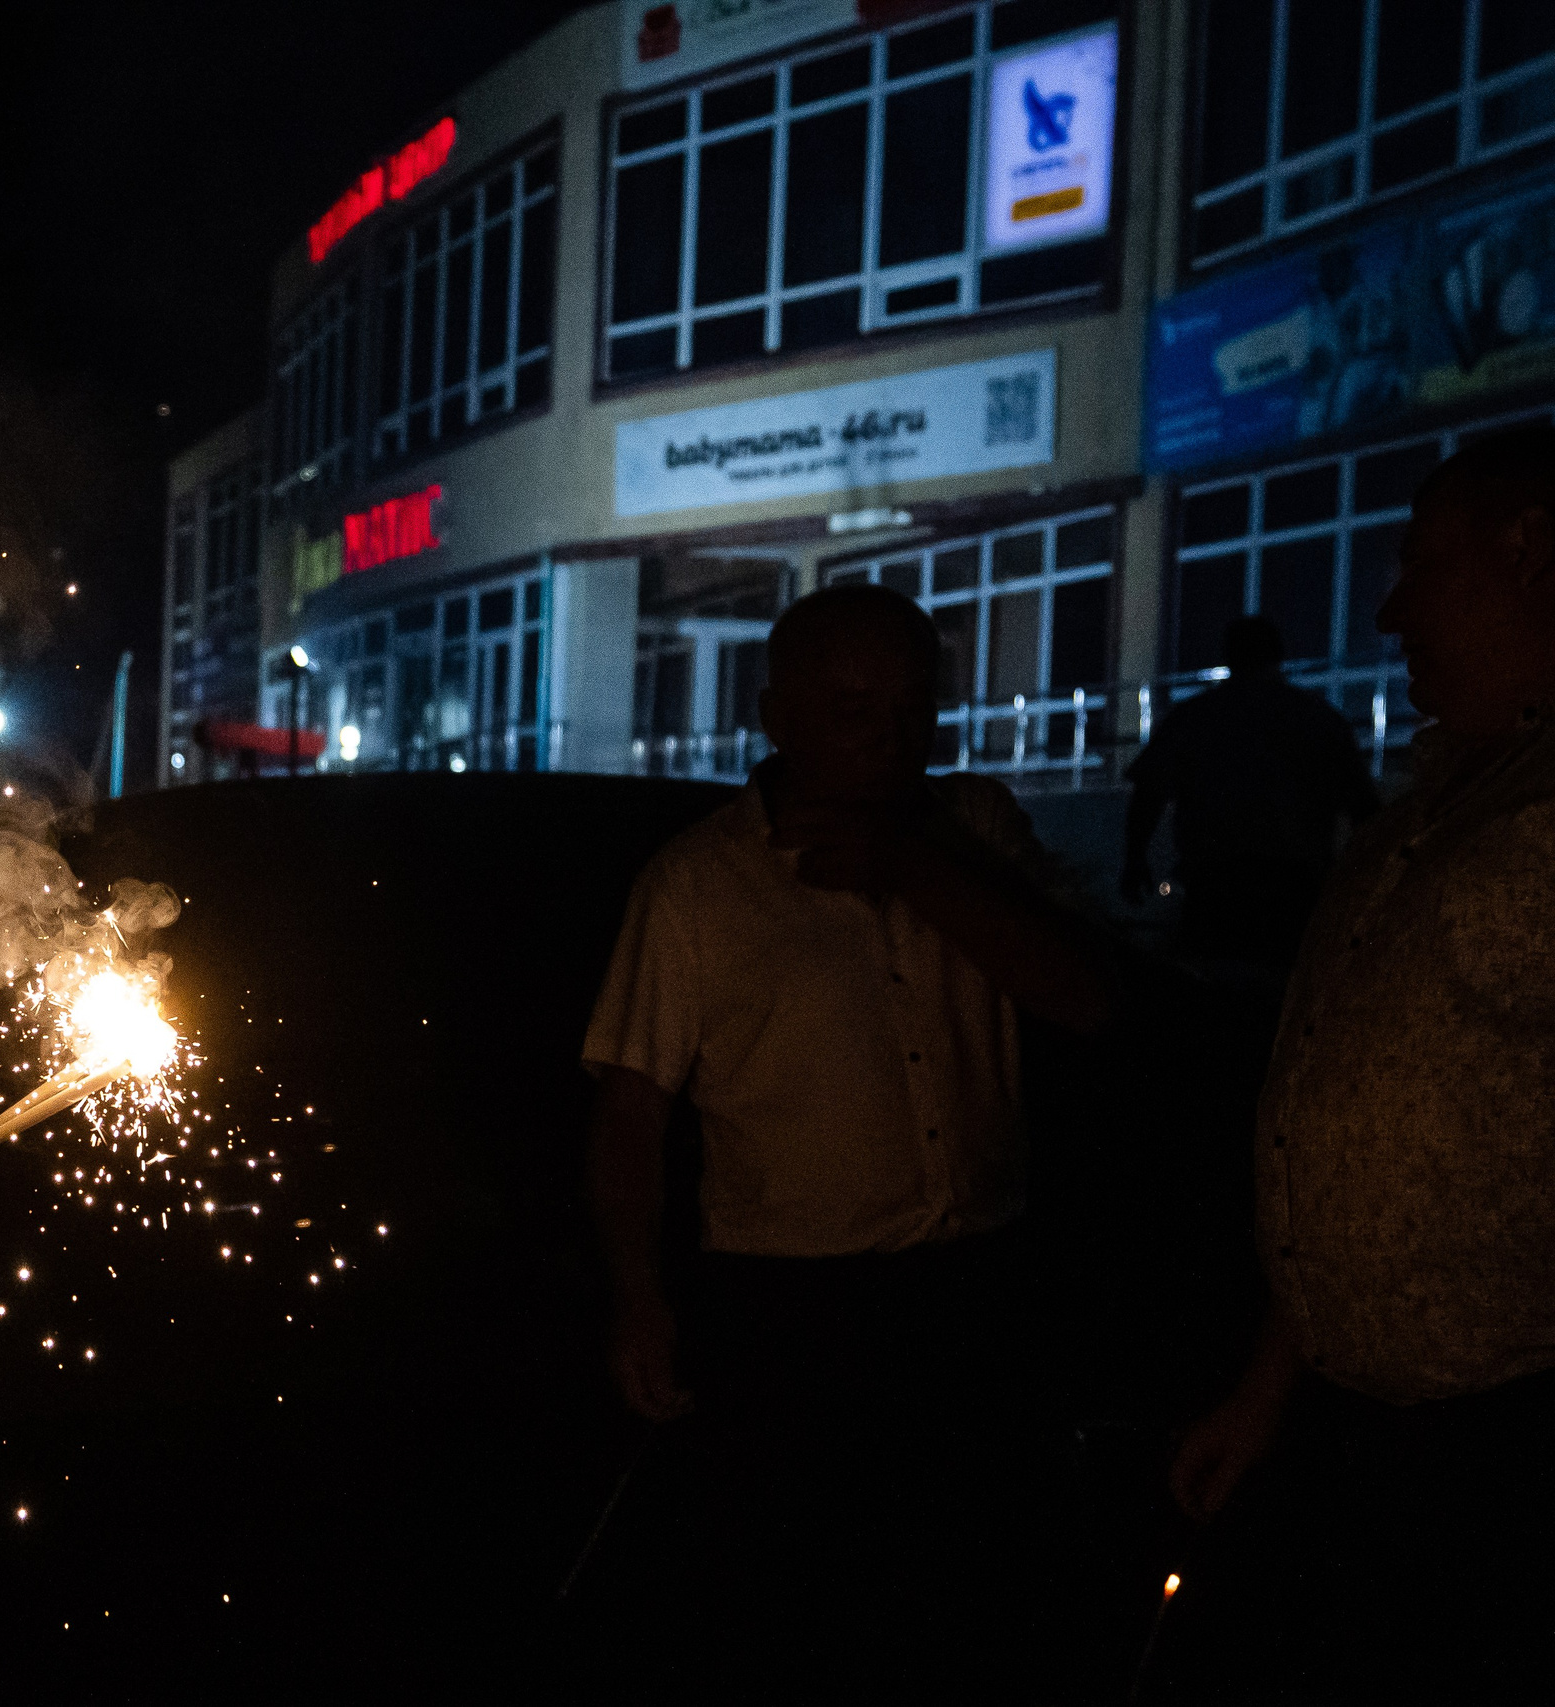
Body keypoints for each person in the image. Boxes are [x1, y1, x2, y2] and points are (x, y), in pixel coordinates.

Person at [582, 582, 1112, 1697]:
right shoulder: (693, 886)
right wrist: (639, 1296)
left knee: (973, 1605)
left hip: (978, 1285)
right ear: (777, 716)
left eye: (911, 713)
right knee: (805, 1611)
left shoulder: (973, 831)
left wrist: (919, 871)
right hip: (792, 1311)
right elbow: (632, 1112)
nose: (888, 743)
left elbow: (1083, 996)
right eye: (853, 712)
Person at [1161, 424, 1553, 1699]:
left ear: (1529, 558)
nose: (1388, 610)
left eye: (1418, 568)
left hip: (1503, 1450)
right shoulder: (1437, 795)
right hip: (1361, 1427)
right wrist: (1271, 1386)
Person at [1121, 615, 1379, 968]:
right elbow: (1363, 806)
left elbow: (1149, 793)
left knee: (1213, 991)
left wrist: (1135, 859)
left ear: (1230, 656)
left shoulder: (1197, 717)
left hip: (1216, 885)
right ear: (1279, 655)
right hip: (1296, 885)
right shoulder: (1317, 718)